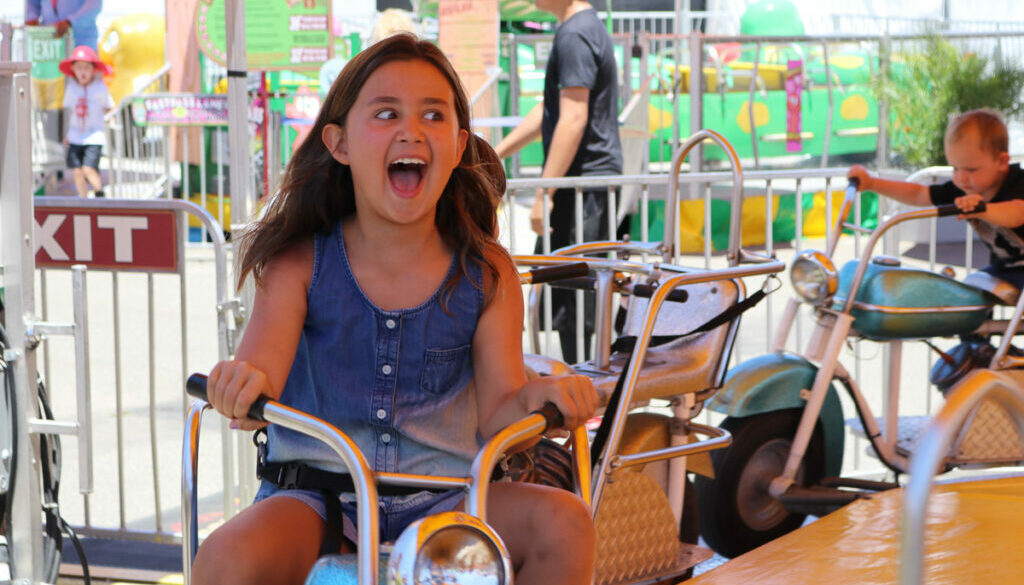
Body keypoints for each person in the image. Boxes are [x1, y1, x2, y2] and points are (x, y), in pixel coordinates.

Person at [191, 34, 598, 585]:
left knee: (566, 523)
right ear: (338, 143)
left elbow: (501, 409)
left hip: (452, 501)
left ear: (456, 147)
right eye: (386, 113)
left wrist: (541, 396)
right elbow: (259, 376)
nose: (411, 130)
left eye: (433, 115)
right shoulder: (299, 264)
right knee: (224, 558)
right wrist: (239, 384)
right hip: (318, 498)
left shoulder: (485, 273)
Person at [493, 0, 623, 363]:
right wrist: (495, 152)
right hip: (582, 185)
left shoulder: (576, 33)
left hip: (582, 186)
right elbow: (551, 110)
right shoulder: (577, 29)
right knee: (568, 295)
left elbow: (573, 118)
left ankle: (587, 395)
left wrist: (544, 193)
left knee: (577, 299)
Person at [849, 108, 1024, 289]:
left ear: (1002, 162)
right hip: (1005, 268)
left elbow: (1017, 213)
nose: (961, 178)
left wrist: (983, 209)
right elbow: (919, 194)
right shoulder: (965, 189)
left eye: (971, 170)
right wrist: (872, 183)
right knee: (971, 291)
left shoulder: (1017, 183)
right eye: (955, 168)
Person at [59, 45, 113, 198]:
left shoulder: (99, 87)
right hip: (75, 135)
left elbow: (109, 106)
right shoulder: (71, 88)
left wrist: (111, 119)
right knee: (77, 170)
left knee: (88, 168)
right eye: (79, 67)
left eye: (86, 67)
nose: (83, 71)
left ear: (93, 70)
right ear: (73, 70)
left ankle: (99, 194)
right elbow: (68, 111)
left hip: (94, 135)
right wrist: (66, 134)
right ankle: (83, 199)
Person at [24, 0, 103, 51]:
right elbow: (33, 3)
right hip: (49, 45)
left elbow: (94, 4)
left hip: (82, 43)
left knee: (83, 73)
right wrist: (32, 16)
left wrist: (70, 21)